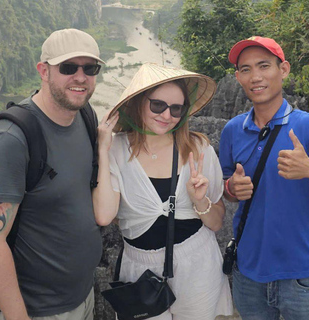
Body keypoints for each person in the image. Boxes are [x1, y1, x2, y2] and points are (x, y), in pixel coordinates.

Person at [219, 36, 309, 320]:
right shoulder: (232, 131)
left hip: (301, 273)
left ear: (283, 69)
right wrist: (231, 188)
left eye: (264, 66)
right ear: (237, 77)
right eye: (246, 69)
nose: (255, 77)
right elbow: (226, 188)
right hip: (248, 271)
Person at [0, 28, 105, 320]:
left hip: (83, 296)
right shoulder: (12, 140)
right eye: (68, 68)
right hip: (37, 310)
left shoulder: (85, 116)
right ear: (43, 71)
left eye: (90, 68)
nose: (81, 77)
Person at [93, 62, 233, 319]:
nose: (167, 115)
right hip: (139, 269)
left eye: (176, 108)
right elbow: (103, 215)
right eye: (158, 105)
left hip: (197, 265)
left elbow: (216, 223)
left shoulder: (198, 148)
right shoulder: (116, 150)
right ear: (139, 103)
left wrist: (200, 201)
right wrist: (102, 149)